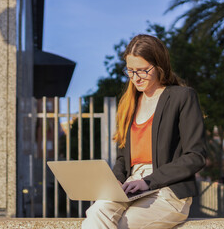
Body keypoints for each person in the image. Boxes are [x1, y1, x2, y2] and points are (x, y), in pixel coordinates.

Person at [82, 34, 207, 229]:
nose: (135, 78)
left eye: (142, 71)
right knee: (96, 213)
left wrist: (149, 181)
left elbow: (196, 156)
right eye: (130, 71)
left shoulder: (182, 97)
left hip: (168, 189)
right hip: (131, 184)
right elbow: (123, 159)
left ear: (159, 66)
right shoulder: (129, 104)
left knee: (124, 224)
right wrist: (114, 181)